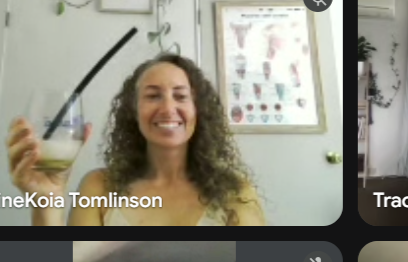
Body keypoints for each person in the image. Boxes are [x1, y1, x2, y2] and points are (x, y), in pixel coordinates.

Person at [7, 54, 264, 226]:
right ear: (133, 111)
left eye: (180, 96)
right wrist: (46, 203)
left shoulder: (236, 193)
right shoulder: (100, 188)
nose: (167, 107)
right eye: (153, 96)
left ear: (198, 110)